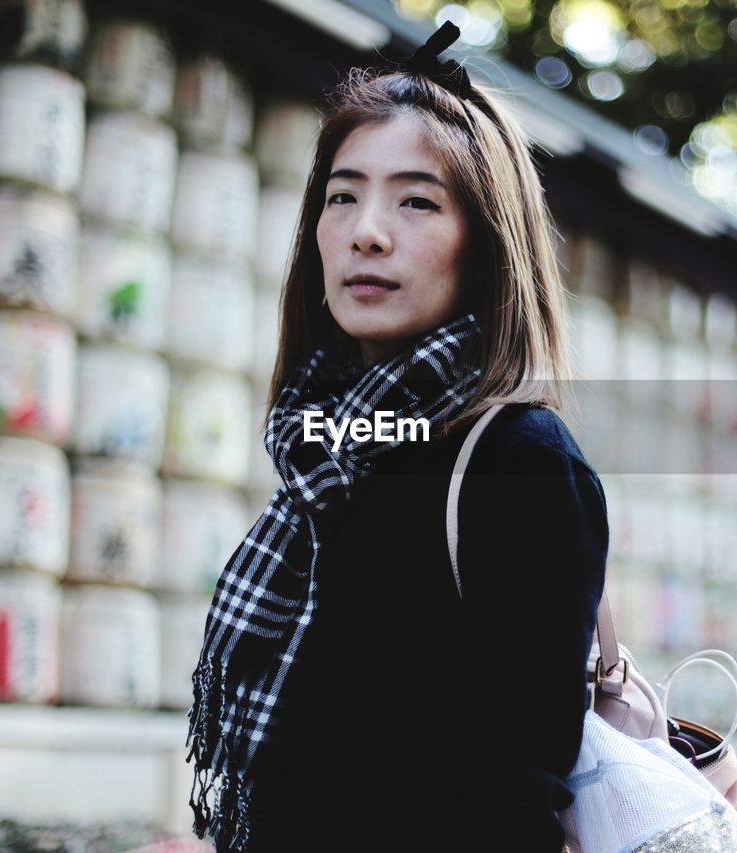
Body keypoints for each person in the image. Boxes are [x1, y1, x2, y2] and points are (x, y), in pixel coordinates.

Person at [185, 22, 609, 852]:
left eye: (416, 200)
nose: (365, 231)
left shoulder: (517, 462)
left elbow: (511, 799)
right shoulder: (325, 456)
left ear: (485, 245)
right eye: (342, 195)